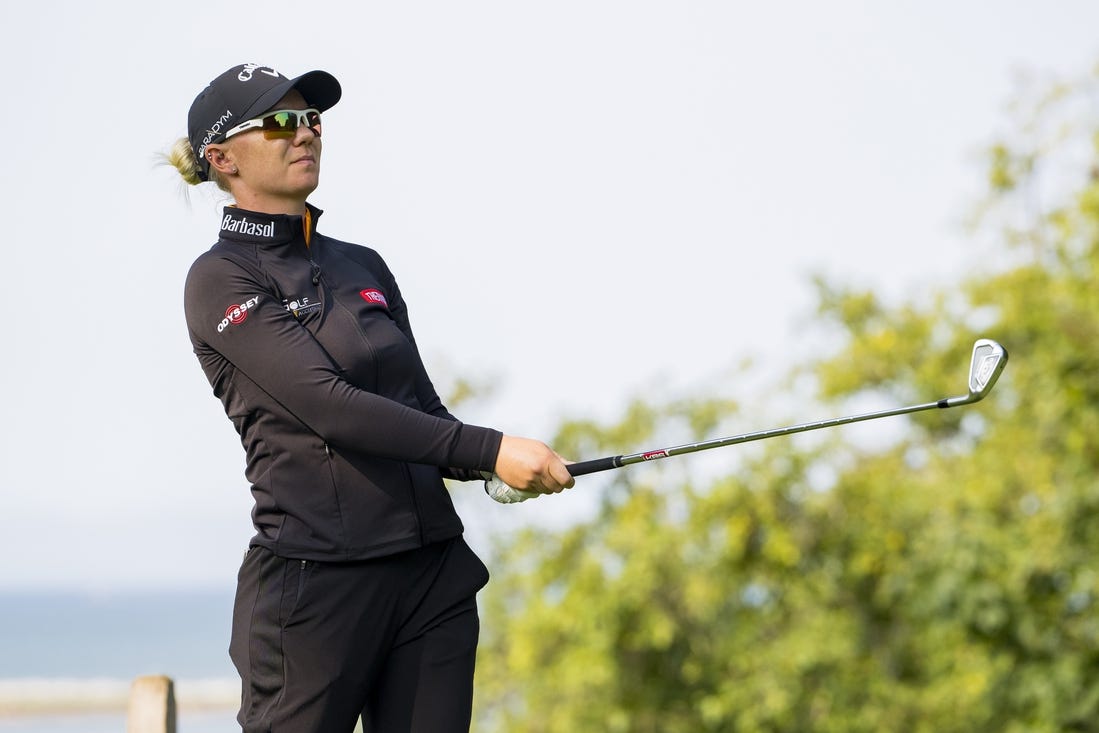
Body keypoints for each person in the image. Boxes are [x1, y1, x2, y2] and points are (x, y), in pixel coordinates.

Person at [166, 63, 574, 733]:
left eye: (311, 120)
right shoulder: (218, 280)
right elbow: (329, 404)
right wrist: (492, 449)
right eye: (279, 123)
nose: (304, 134)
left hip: (430, 580)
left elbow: (424, 415)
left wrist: (496, 465)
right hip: (314, 592)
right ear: (221, 157)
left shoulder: (362, 264)